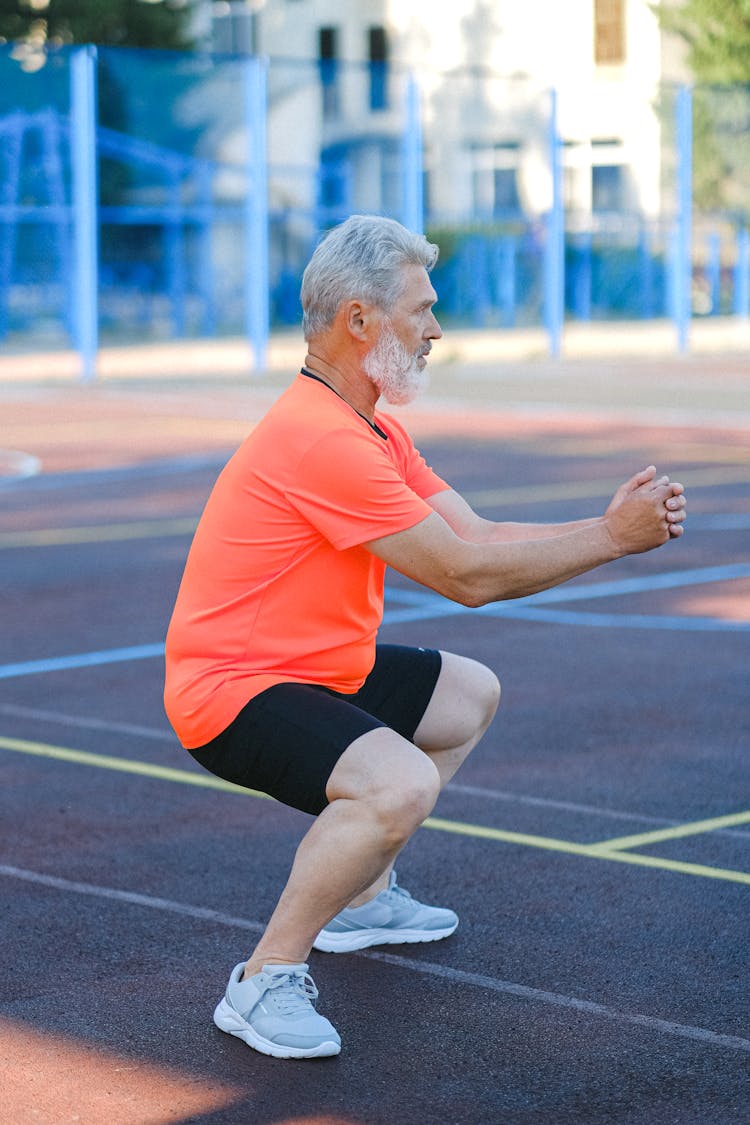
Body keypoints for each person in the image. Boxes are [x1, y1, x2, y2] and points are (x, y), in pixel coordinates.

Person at [163, 214, 687, 1060]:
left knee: (467, 692)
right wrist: (614, 540)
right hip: (233, 691)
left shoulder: (373, 427)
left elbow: (474, 535)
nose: (438, 329)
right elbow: (464, 579)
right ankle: (263, 978)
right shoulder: (319, 439)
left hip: (315, 669)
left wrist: (603, 524)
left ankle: (364, 895)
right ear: (359, 321)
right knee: (399, 782)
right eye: (422, 309)